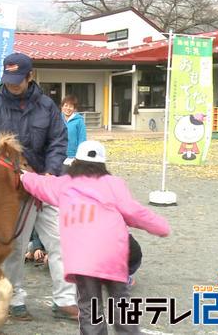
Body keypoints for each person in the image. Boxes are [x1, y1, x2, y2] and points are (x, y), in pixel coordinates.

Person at [20, 140, 170, 334]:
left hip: (83, 260)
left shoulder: (64, 184)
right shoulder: (114, 184)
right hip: (113, 255)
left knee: (90, 310)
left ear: (75, 163)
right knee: (121, 304)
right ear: (102, 164)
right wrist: (161, 226)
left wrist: (22, 175)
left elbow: (40, 183)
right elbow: (134, 212)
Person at [0, 52, 77, 321]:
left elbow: (58, 141)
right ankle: (15, 298)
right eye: (8, 80)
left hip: (45, 183)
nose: (13, 85)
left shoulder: (47, 106)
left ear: (31, 76)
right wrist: (11, 173)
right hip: (11, 190)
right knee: (15, 245)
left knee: (63, 239)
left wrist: (48, 173)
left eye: (18, 80)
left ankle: (65, 300)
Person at [60, 95, 86, 172]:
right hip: (59, 155)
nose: (68, 108)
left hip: (72, 156)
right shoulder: (57, 119)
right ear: (62, 107)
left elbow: (82, 139)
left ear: (74, 109)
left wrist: (78, 156)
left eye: (71, 106)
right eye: (66, 105)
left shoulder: (79, 121)